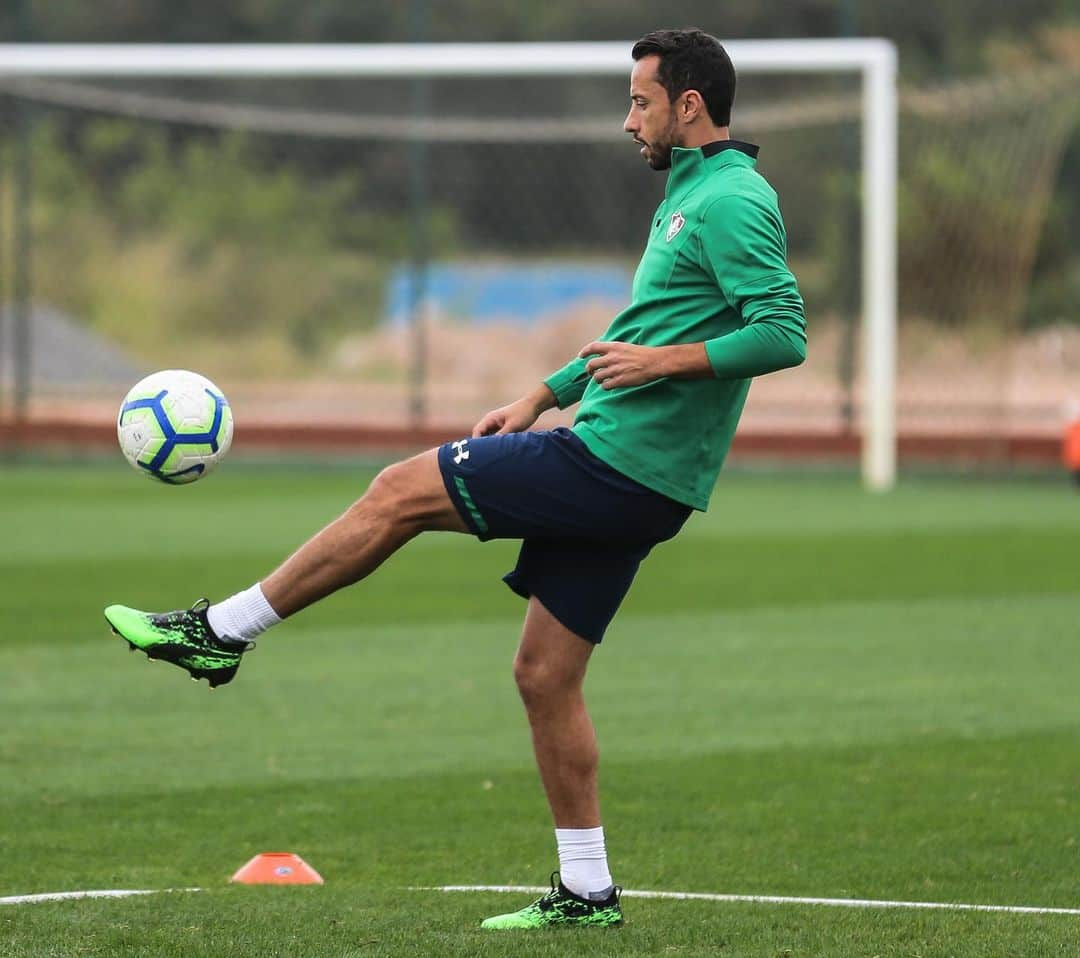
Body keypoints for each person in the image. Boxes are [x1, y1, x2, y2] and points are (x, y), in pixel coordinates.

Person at [104, 28, 806, 930]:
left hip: (621, 464)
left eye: (640, 101)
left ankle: (220, 632)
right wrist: (539, 396)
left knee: (398, 490)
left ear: (689, 106)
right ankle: (587, 892)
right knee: (545, 675)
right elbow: (640, 326)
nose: (628, 119)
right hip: (636, 471)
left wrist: (665, 364)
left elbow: (782, 331)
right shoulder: (691, 193)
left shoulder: (733, 199)